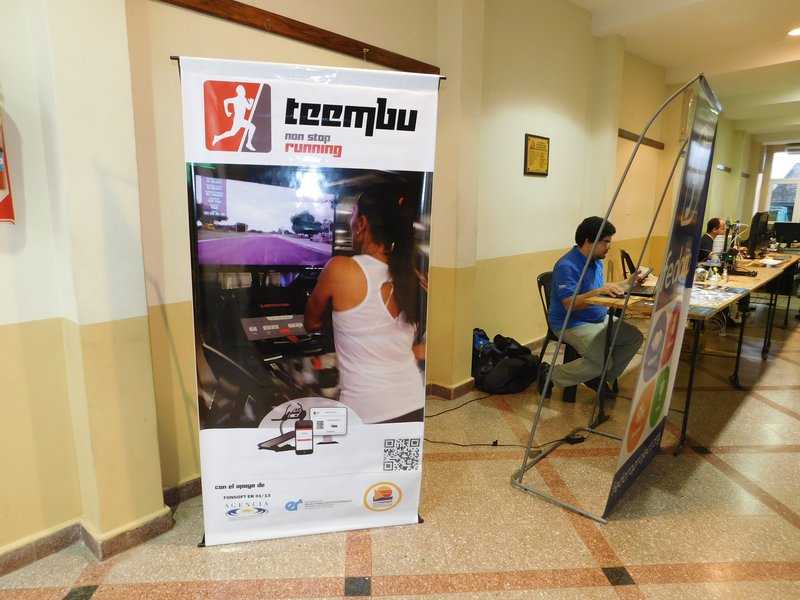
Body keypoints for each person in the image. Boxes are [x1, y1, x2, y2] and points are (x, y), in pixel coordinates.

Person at [304, 191, 426, 424]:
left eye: (352, 214)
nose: (350, 222)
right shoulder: (412, 276)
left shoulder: (340, 269)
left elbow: (310, 323)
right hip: (414, 402)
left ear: (361, 224)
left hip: (367, 412)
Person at [538, 216, 644, 402]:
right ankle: (550, 374)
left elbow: (599, 288)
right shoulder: (567, 266)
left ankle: (598, 377)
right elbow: (570, 304)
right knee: (599, 362)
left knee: (634, 337)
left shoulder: (595, 260)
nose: (609, 246)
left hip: (598, 318)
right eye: (605, 242)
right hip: (572, 323)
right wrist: (598, 291)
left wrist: (628, 282)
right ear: (588, 241)